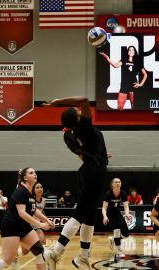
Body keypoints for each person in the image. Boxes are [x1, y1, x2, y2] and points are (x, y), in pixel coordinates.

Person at [42, 96, 109, 270]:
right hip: (93, 173)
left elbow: (84, 154)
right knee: (80, 215)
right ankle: (54, 253)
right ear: (77, 119)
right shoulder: (84, 128)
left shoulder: (73, 134)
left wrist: (99, 156)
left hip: (91, 170)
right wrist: (58, 102)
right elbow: (85, 100)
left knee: (89, 216)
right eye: (77, 111)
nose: (80, 110)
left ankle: (83, 257)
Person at [0, 167, 54, 270]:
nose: (35, 174)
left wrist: (46, 220)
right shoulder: (20, 191)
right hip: (11, 226)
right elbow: (22, 213)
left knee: (39, 251)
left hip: (23, 226)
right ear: (25, 177)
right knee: (6, 261)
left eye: (35, 173)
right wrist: (40, 225)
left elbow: (34, 210)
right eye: (31, 173)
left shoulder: (30, 193)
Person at [102, 178, 131, 261]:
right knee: (117, 230)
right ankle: (119, 251)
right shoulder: (108, 194)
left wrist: (127, 214)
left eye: (119, 182)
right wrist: (105, 216)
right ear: (112, 185)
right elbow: (104, 208)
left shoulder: (123, 193)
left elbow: (126, 206)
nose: (118, 183)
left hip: (117, 213)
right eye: (116, 182)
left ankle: (113, 239)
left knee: (126, 234)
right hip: (110, 214)